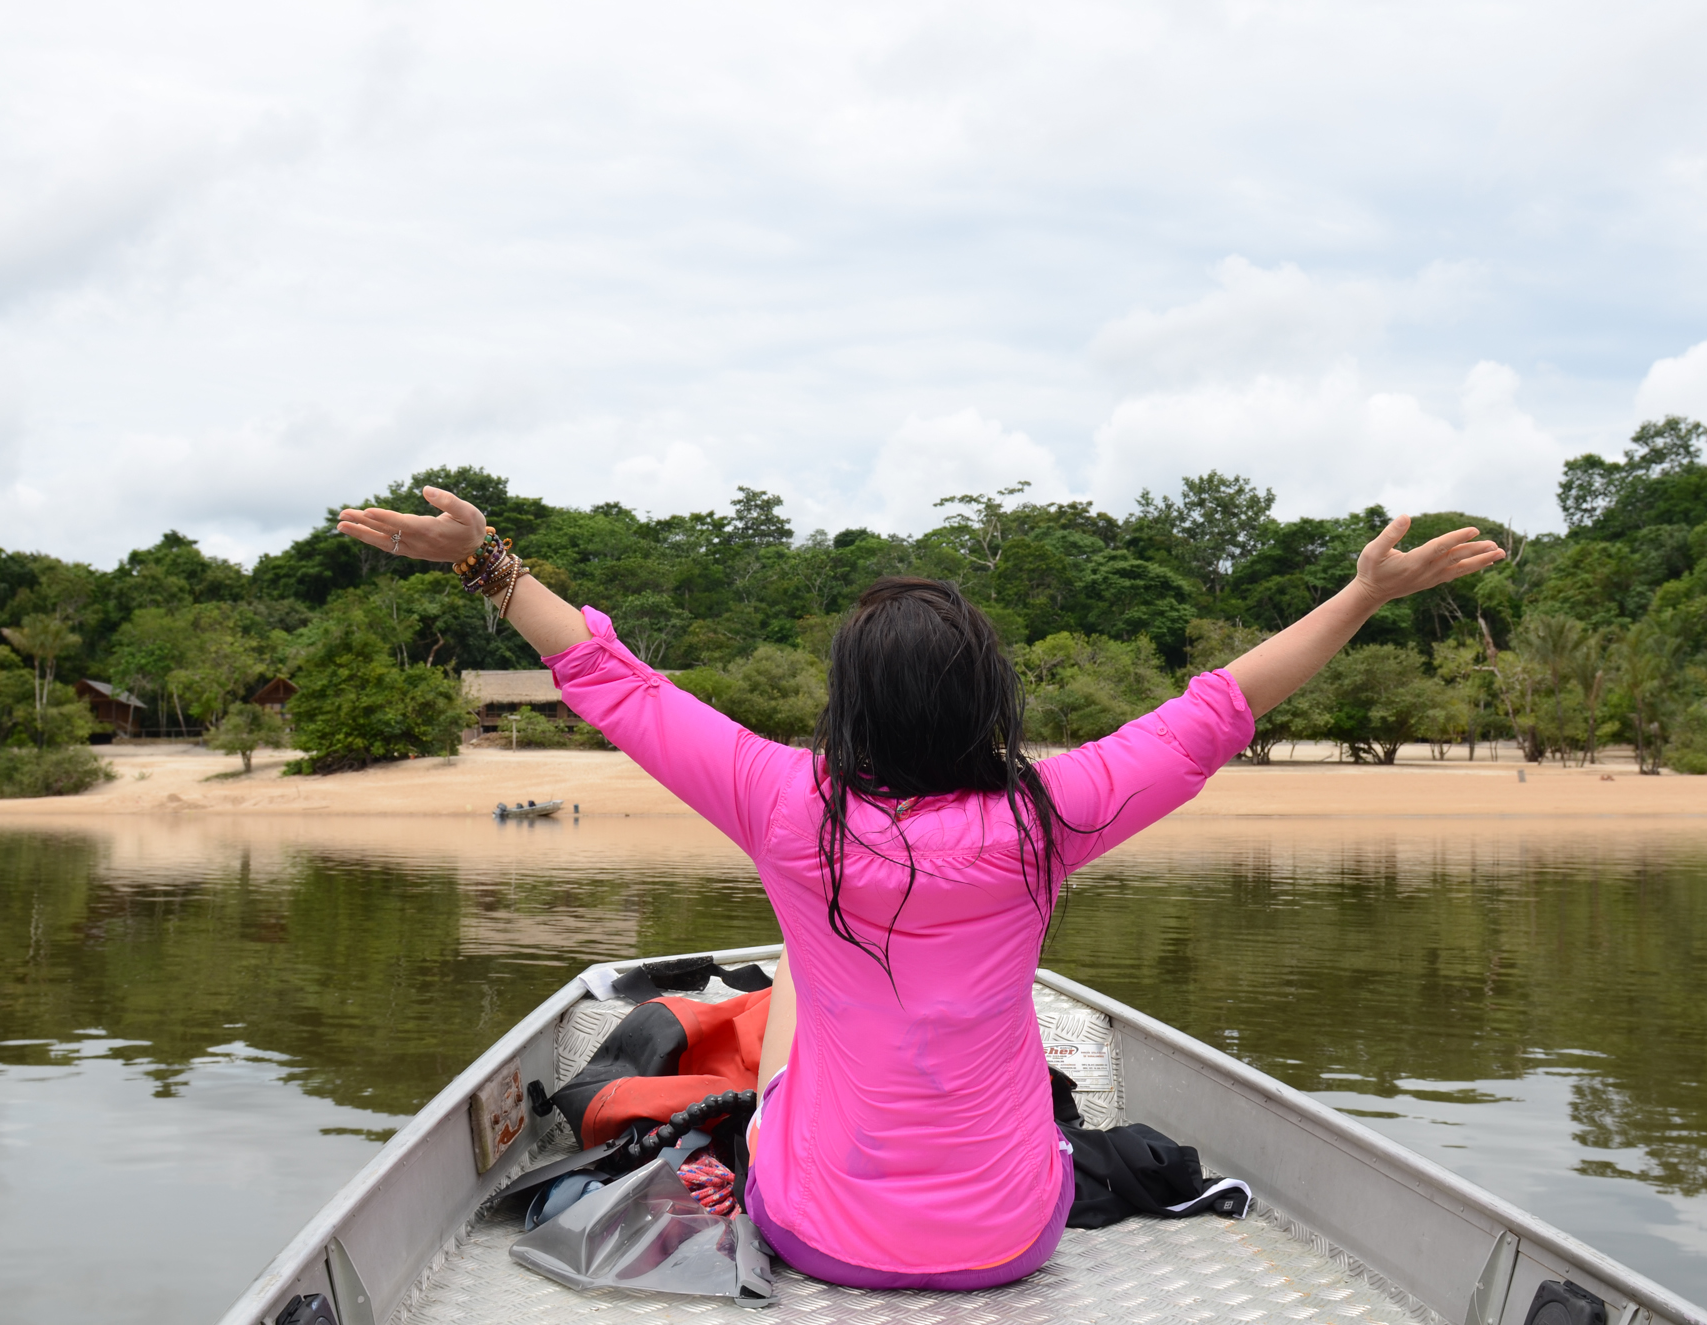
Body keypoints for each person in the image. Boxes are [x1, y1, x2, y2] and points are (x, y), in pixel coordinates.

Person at [338, 487, 1503, 1289]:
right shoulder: (1053, 815)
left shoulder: (782, 802)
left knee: (803, 967)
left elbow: (614, 683)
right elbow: (1216, 712)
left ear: (848, 708)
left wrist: (488, 562)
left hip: (816, 1235)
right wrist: (1360, 595)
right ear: (987, 703)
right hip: (1013, 1239)